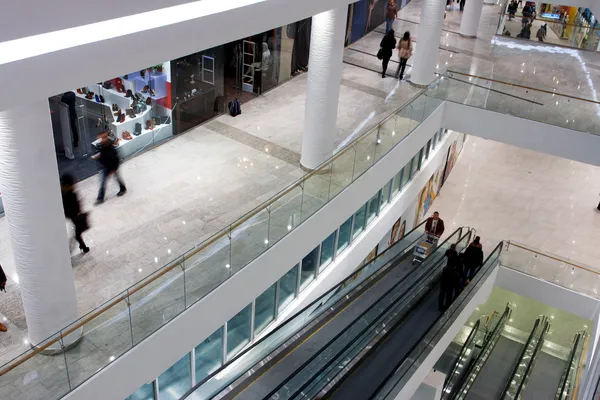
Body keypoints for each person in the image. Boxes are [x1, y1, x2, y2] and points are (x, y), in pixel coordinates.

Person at [94, 132, 127, 204]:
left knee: (117, 178)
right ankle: (100, 198)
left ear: (107, 137)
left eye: (104, 138)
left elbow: (115, 159)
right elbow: (103, 155)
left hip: (112, 166)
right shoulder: (103, 146)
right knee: (103, 182)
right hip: (106, 166)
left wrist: (113, 169)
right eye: (101, 138)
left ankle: (123, 188)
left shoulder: (111, 147)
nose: (102, 140)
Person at [61, 174, 90, 253]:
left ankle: (82, 246)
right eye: (73, 184)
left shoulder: (65, 193)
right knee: (77, 232)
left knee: (77, 232)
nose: (74, 185)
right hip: (73, 215)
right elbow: (76, 205)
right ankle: (81, 246)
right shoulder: (70, 194)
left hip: (72, 215)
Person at [439, 244, 462, 310]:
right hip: (450, 285)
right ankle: (447, 306)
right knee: (448, 296)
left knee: (442, 295)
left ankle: (440, 307)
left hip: (443, 285)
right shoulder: (454, 272)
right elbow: (457, 280)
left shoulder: (445, 269)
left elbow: (442, 277)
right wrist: (460, 286)